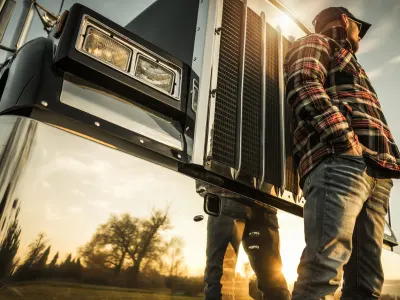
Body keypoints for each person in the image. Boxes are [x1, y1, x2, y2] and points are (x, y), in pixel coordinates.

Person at [284, 7, 400, 299]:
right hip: (340, 162)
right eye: (358, 29)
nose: (359, 35)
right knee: (323, 271)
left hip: (376, 171)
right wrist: (343, 139)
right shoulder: (317, 42)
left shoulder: (353, 65)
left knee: (367, 283)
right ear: (347, 22)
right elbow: (303, 84)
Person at [196, 181, 290, 300]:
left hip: (227, 190)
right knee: (273, 280)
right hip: (265, 199)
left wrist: (203, 185)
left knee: (221, 282)